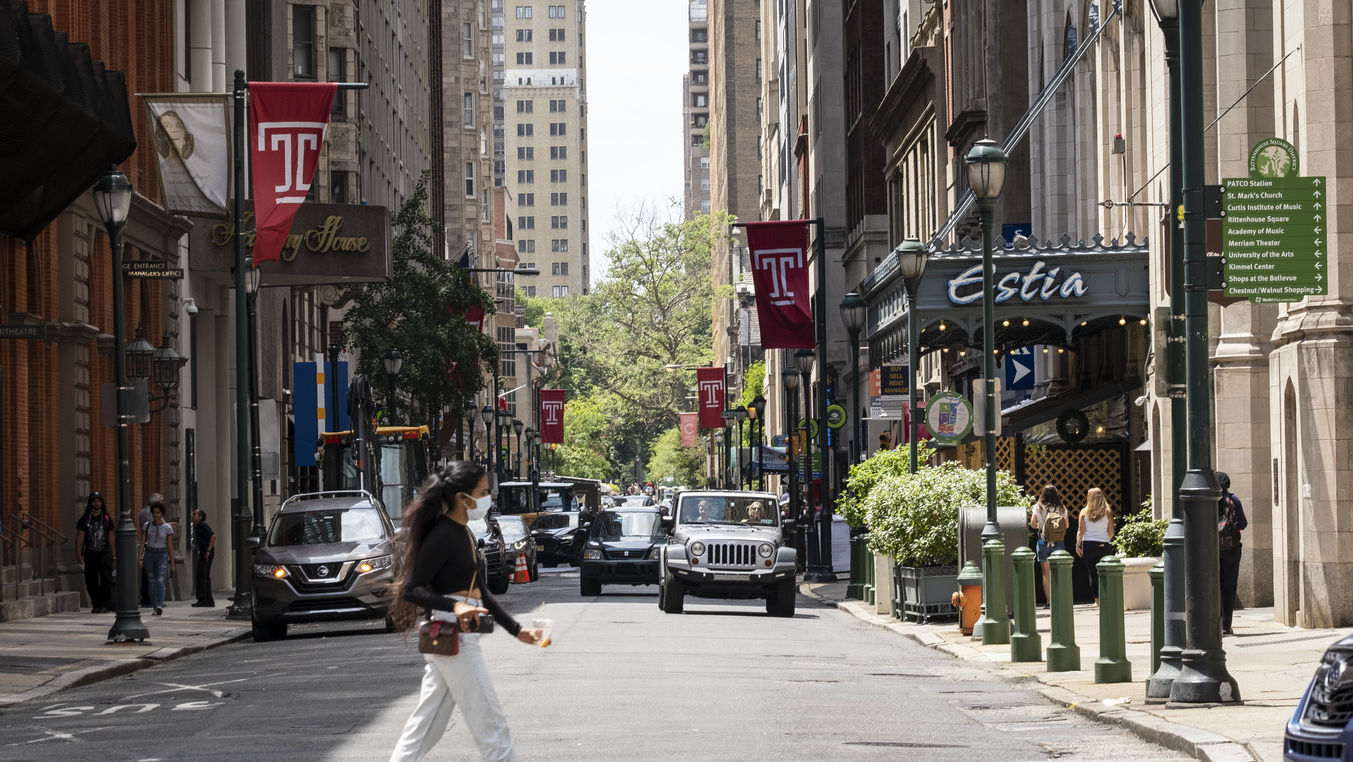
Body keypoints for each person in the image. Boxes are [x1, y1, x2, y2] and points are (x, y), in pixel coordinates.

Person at [389, 462, 543, 762]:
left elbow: (481, 591)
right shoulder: (445, 534)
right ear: (463, 498)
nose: (489, 499)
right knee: (491, 722)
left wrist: (517, 630)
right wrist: (455, 605)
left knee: (426, 727)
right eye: (483, 492)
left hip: (456, 631)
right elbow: (411, 589)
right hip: (454, 632)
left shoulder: (461, 533)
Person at [1217, 471, 1249, 636]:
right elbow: (1242, 524)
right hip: (1231, 549)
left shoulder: (1208, 501)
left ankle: (1213, 623)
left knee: (1213, 588)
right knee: (1228, 587)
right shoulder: (1234, 500)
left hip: (1211, 551)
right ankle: (1226, 625)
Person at [75, 492, 116, 613]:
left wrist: (114, 554)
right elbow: (80, 536)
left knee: (106, 578)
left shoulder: (107, 518)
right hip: (90, 553)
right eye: (94, 501)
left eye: (99, 501)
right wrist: (78, 553)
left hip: (105, 553)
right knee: (90, 580)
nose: (96, 503)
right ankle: (96, 603)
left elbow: (111, 537)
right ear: (90, 503)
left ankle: (104, 603)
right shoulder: (85, 518)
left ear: (102, 503)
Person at [1075, 487, 1116, 605]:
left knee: (1093, 573)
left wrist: (1078, 545)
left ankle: (1097, 601)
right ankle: (1107, 598)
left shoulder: (1083, 512)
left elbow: (1080, 531)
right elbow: (1111, 531)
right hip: (1103, 545)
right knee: (1105, 572)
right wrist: (1105, 541)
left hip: (1088, 545)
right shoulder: (1107, 511)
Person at [1029, 485, 1070, 605]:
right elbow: (1066, 525)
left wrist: (1042, 527)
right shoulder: (1061, 508)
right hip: (1058, 541)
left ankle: (1049, 601)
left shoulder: (1038, 507)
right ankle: (1061, 599)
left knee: (1046, 573)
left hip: (1043, 540)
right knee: (1059, 571)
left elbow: (1032, 524)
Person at [138, 502, 176, 616]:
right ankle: (155, 606)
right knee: (152, 581)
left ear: (162, 514)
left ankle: (160, 604)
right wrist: (139, 557)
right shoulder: (147, 525)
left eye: (158, 513)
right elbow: (142, 542)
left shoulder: (167, 528)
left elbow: (169, 546)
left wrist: (172, 563)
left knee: (160, 580)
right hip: (149, 553)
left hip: (162, 554)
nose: (156, 515)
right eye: (154, 513)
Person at [138, 493, 163, 607]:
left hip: (148, 546)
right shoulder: (152, 514)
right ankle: (152, 599)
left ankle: (147, 598)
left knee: (147, 575)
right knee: (154, 576)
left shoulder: (143, 511)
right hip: (153, 547)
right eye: (161, 501)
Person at [189, 509, 216, 607]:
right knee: (204, 576)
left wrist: (208, 550)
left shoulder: (202, 525)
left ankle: (203, 600)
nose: (192, 516)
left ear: (200, 517)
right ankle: (209, 600)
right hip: (204, 551)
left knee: (202, 575)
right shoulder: (197, 526)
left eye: (195, 514)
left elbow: (213, 536)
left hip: (206, 551)